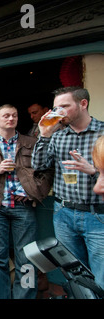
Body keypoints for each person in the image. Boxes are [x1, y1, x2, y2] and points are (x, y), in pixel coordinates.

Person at [0, 104, 53, 299]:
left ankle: (24, 297)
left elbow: (47, 172)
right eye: (6, 115)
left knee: (27, 258)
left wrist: (34, 193)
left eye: (14, 115)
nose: (11, 118)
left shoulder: (31, 142)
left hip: (23, 208)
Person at [32, 86, 104, 289]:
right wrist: (44, 135)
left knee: (101, 278)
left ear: (83, 104)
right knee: (73, 275)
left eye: (64, 106)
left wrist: (94, 171)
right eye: (56, 108)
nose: (58, 113)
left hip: (97, 216)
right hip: (63, 213)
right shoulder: (58, 136)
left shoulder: (103, 132)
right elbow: (38, 166)